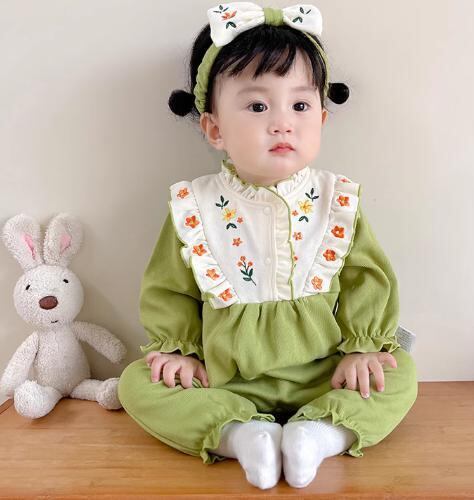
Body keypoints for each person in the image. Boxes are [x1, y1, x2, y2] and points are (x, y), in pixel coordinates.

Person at [118, 2, 418, 490]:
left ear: (322, 118)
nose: (282, 123)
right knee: (137, 383)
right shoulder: (195, 207)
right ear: (214, 128)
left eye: (299, 106)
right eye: (258, 107)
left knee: (399, 370)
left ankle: (319, 434)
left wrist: (363, 348)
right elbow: (168, 289)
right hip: (225, 380)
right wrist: (178, 350)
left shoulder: (337, 202)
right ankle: (240, 435)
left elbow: (368, 280)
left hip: (325, 377)